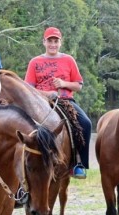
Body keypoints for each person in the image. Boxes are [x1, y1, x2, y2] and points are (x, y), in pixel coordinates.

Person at [25, 27, 92, 179]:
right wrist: (47, 94)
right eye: (50, 41)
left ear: (60, 43)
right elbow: (28, 88)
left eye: (56, 41)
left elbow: (79, 85)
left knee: (86, 123)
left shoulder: (68, 60)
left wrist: (63, 83)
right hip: (39, 102)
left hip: (65, 102)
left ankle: (78, 164)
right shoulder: (35, 62)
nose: (53, 44)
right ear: (44, 42)